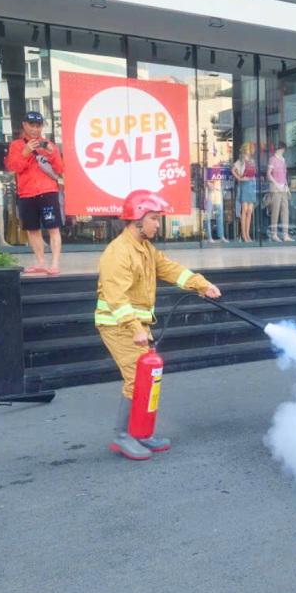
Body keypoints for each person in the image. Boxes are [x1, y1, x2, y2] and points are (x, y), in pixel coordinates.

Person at [96, 189, 221, 461]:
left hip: (137, 325)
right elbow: (116, 297)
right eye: (153, 218)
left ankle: (139, 432)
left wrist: (202, 285)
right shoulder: (118, 252)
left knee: (146, 380)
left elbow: (172, 270)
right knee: (136, 380)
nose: (157, 223)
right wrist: (135, 329)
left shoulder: (145, 249)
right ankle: (122, 436)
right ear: (137, 219)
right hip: (118, 325)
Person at [4, 111, 65, 275]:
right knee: (32, 229)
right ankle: (40, 263)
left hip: (48, 192)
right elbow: (14, 167)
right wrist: (25, 152)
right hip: (27, 194)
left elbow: (60, 169)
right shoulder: (16, 145)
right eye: (32, 125)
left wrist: (52, 154)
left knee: (53, 227)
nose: (35, 129)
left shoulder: (48, 144)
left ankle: (55, 263)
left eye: (38, 126)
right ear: (25, 125)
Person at [266, 142, 293, 242]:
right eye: (283, 149)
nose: (284, 151)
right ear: (280, 149)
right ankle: (274, 234)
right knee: (275, 210)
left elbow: (284, 175)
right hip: (276, 188)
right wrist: (277, 184)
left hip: (283, 188)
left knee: (285, 211)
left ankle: (285, 235)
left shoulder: (283, 160)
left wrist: (287, 187)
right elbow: (269, 174)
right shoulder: (273, 159)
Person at [232, 144, 257, 243]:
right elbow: (233, 170)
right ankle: (244, 234)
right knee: (245, 210)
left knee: (250, 210)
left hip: (252, 184)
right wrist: (239, 178)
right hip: (244, 184)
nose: (251, 151)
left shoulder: (252, 161)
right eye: (250, 149)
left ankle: (247, 234)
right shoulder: (240, 161)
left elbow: (254, 173)